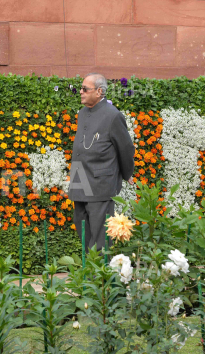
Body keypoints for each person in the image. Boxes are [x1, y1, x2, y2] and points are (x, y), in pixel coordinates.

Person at [68, 73, 135, 253]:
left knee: (100, 236)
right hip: (80, 177)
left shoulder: (113, 116)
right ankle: (88, 270)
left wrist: (127, 173)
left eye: (85, 89)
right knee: (82, 229)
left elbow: (126, 148)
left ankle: (99, 277)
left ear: (99, 92)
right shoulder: (82, 113)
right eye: (80, 88)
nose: (80, 92)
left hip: (100, 182)